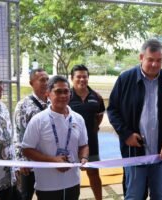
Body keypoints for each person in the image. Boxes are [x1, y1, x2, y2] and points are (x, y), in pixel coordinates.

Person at [107, 39, 162, 200]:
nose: (155, 64)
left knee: (159, 195)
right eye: (150, 59)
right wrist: (126, 134)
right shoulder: (125, 79)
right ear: (141, 57)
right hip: (135, 153)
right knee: (134, 195)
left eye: (159, 60)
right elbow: (113, 110)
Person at [22, 75, 89, 200]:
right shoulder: (38, 120)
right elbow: (26, 149)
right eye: (58, 91)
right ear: (48, 94)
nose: (63, 96)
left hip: (73, 182)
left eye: (66, 91)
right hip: (47, 186)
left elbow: (83, 145)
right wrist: (53, 160)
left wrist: (84, 158)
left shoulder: (78, 119)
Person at [69, 64, 105, 200]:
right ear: (72, 78)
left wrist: (92, 129)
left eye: (85, 76)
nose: (82, 79)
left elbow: (100, 116)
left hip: (91, 143)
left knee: (94, 174)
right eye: (78, 76)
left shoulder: (96, 96)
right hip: (70, 144)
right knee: (70, 176)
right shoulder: (67, 96)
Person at [14, 68, 49, 200]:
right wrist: (21, 161)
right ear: (31, 83)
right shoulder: (23, 105)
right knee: (26, 195)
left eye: (47, 79)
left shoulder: (52, 102)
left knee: (47, 194)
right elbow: (18, 133)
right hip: (29, 163)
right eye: (41, 80)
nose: (46, 83)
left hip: (48, 160)